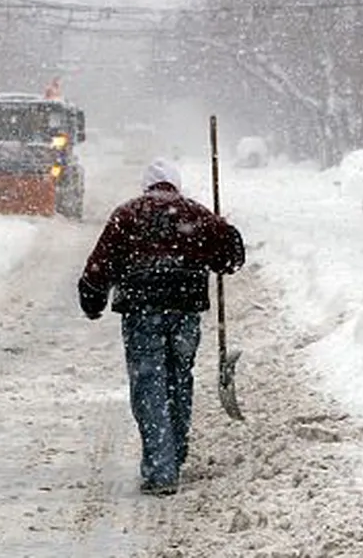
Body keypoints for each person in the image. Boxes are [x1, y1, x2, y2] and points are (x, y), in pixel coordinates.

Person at [78, 158, 245, 496]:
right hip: (185, 312)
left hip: (142, 313)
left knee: (149, 384)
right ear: (175, 184)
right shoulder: (194, 214)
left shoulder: (127, 215)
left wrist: (92, 299)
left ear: (147, 186)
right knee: (179, 380)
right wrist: (223, 234)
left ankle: (160, 469)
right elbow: (232, 257)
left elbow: (101, 264)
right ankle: (175, 454)